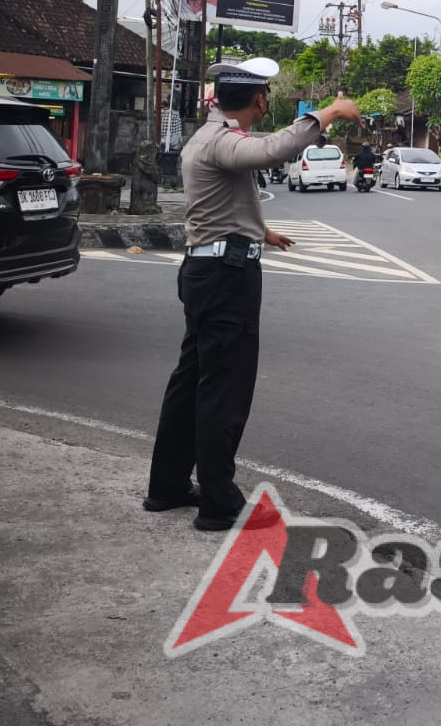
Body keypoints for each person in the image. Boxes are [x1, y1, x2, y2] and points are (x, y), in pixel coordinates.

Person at [145, 58, 361, 531]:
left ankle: (167, 486)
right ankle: (219, 504)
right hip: (225, 278)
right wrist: (327, 113)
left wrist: (261, 232)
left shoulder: (208, 137)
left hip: (208, 267)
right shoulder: (223, 141)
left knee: (192, 382)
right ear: (260, 99)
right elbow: (271, 152)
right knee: (224, 389)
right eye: (266, 96)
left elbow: (220, 205)